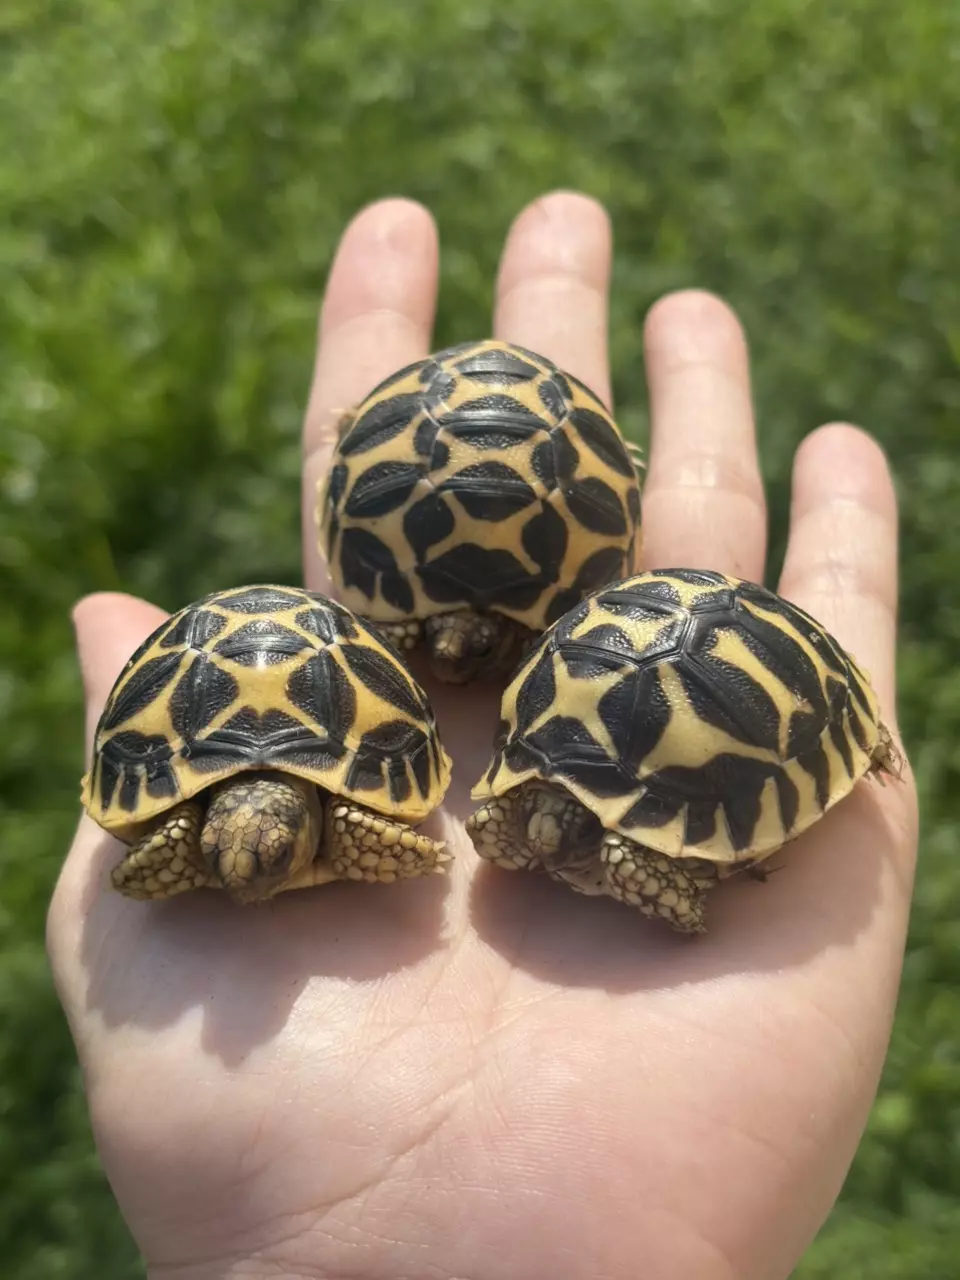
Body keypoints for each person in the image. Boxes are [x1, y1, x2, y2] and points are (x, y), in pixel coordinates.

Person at [46, 191, 919, 1280]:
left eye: (471, 649)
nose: (451, 663)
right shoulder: (491, 713)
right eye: (435, 647)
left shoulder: (524, 698)